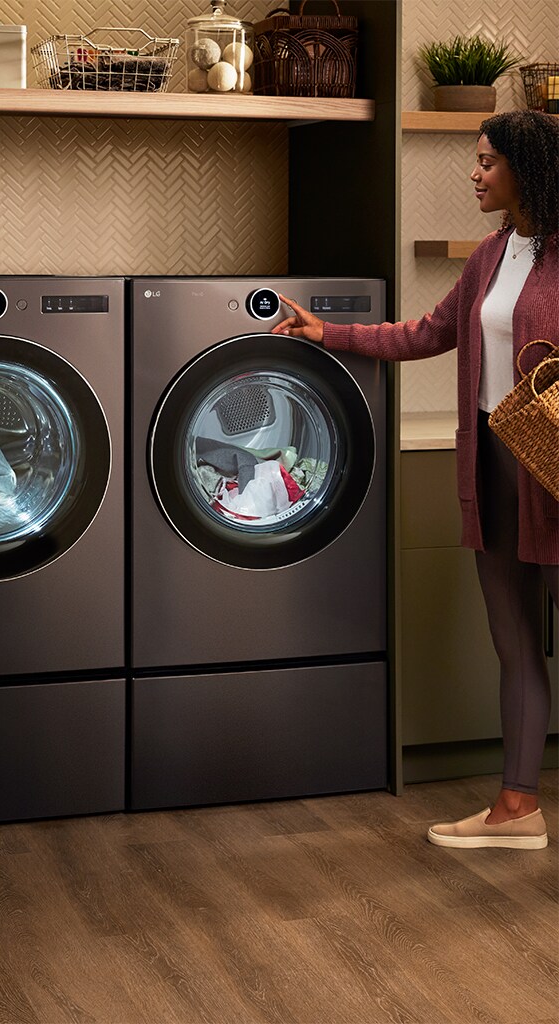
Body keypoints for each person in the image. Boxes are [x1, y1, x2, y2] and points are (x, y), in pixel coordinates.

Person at [272, 110, 559, 850]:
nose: (475, 173)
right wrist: (329, 333)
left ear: (526, 170)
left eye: (488, 162)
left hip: (555, 470)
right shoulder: (490, 257)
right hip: (496, 461)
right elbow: (428, 332)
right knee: (516, 640)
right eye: (476, 159)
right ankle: (517, 807)